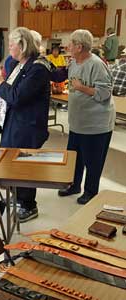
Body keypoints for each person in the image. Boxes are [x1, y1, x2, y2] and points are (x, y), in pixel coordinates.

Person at [0, 27, 52, 222]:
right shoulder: (19, 64)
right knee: (10, 161)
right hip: (14, 122)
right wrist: (0, 80)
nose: (9, 47)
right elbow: (12, 89)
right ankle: (18, 196)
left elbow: (16, 97)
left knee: (25, 166)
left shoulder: (38, 68)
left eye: (12, 44)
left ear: (22, 46)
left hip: (27, 126)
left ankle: (29, 205)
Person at [58, 29, 115, 204]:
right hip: (78, 122)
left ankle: (91, 191)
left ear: (79, 46)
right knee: (75, 157)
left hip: (96, 125)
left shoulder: (97, 64)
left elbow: (105, 93)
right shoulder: (74, 62)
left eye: (70, 43)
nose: (67, 46)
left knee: (93, 161)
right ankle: (74, 185)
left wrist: (81, 87)